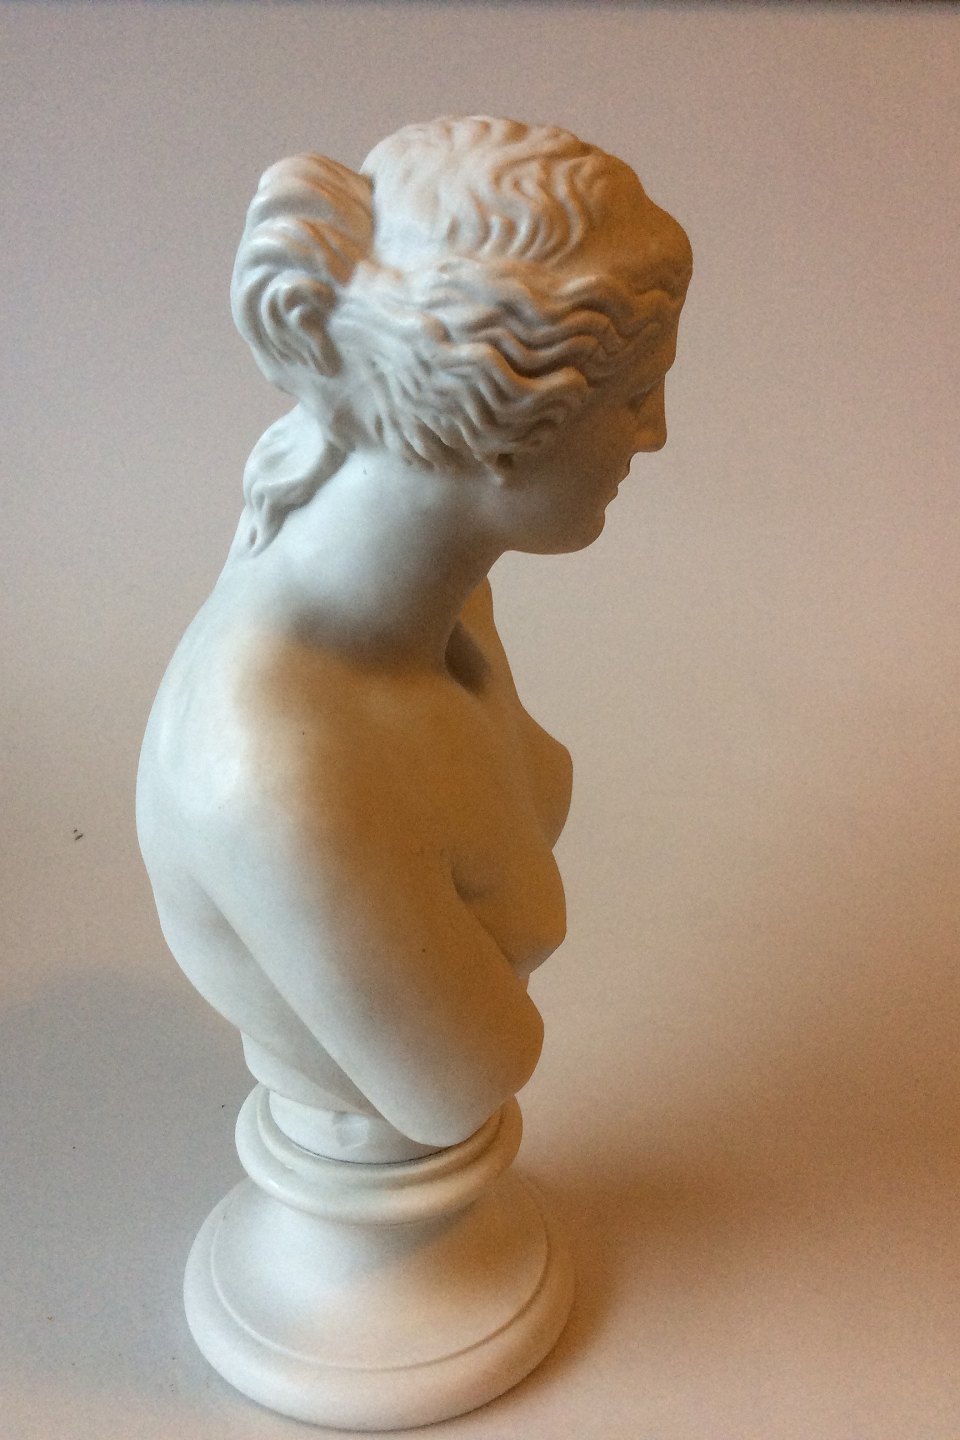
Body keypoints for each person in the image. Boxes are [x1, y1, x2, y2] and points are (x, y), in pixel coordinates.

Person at [137, 116, 691, 1160]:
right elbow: (462, 1075)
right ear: (504, 422)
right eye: (634, 394)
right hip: (381, 1146)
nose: (656, 433)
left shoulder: (444, 606)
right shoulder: (273, 773)